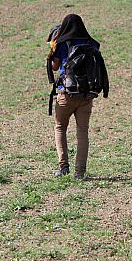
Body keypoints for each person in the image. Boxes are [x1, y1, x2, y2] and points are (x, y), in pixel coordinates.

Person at [47, 14, 106, 180]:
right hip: (87, 94)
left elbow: (54, 66)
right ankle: (79, 172)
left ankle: (63, 166)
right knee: (82, 133)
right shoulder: (92, 43)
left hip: (65, 93)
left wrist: (52, 49)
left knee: (60, 128)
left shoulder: (61, 43)